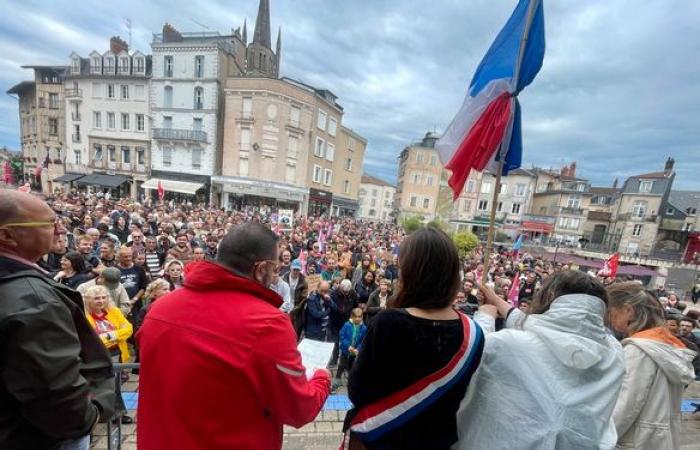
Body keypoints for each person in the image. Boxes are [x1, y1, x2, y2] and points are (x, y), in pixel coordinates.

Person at [137, 222, 331, 450]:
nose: (275, 273)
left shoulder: (160, 308)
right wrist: (322, 378)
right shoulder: (267, 323)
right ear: (261, 269)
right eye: (275, 268)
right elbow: (299, 409)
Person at [345, 227, 484, 450]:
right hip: (437, 441)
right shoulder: (474, 332)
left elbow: (358, 391)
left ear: (411, 272)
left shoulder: (388, 322)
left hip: (386, 440)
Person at [454, 271, 624, 450]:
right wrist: (495, 300)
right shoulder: (614, 354)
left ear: (549, 296)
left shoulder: (509, 344)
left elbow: (472, 351)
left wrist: (485, 317)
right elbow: (542, 328)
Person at [0, 190, 115, 449]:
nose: (60, 229)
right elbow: (54, 394)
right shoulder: (35, 301)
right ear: (7, 235)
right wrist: (92, 413)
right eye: (49, 223)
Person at [607, 282, 696, 450]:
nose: (610, 320)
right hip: (658, 439)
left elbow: (625, 406)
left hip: (634, 440)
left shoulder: (638, 350)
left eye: (611, 313)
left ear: (628, 311)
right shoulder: (665, 344)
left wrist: (600, 438)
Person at [83, 285, 134, 424]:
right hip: (96, 356)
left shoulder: (114, 311)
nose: (101, 301)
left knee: (115, 384)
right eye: (96, 298)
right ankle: (97, 413)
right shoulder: (84, 316)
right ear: (88, 300)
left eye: (103, 297)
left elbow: (128, 329)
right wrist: (111, 337)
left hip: (116, 353)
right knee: (100, 385)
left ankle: (118, 415)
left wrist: (111, 335)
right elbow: (91, 339)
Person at [333, 307, 367, 392]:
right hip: (346, 349)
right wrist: (348, 346)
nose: (357, 319)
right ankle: (337, 380)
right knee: (341, 364)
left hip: (354, 351)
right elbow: (342, 336)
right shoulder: (347, 325)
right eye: (355, 316)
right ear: (352, 316)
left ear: (362, 317)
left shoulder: (364, 328)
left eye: (359, 317)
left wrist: (357, 349)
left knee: (351, 365)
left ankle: (350, 378)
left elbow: (363, 340)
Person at [284, 259, 308, 337]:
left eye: (297, 270)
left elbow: (304, 297)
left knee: (297, 328)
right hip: (285, 306)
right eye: (294, 269)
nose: (296, 272)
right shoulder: (284, 278)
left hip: (297, 307)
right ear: (291, 268)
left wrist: (296, 308)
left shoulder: (304, 281)